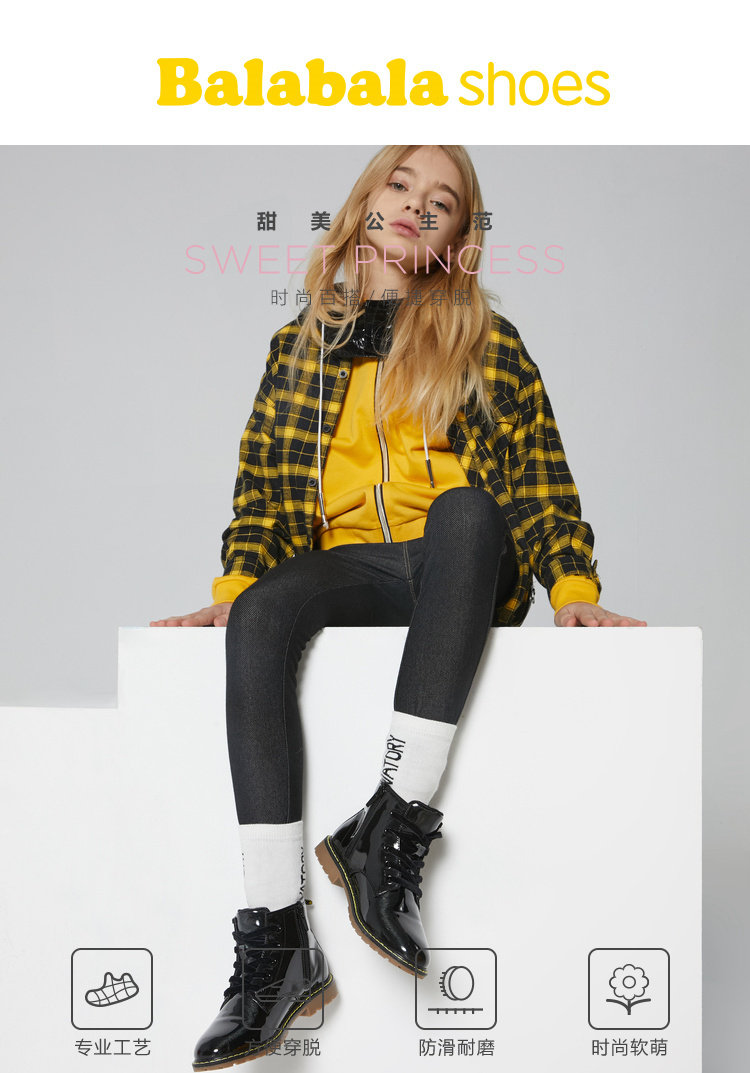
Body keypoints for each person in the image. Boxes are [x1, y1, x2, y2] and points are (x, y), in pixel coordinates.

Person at [151, 144, 647, 1069]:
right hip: (354, 574)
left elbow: (541, 483)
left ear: (458, 236)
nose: (418, 204)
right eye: (401, 183)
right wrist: (232, 591)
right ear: (367, 200)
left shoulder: (486, 341)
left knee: (468, 508)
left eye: (444, 201)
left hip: (457, 569)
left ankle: (389, 822)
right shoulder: (298, 348)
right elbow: (262, 497)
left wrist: (574, 590)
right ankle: (275, 939)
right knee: (260, 611)